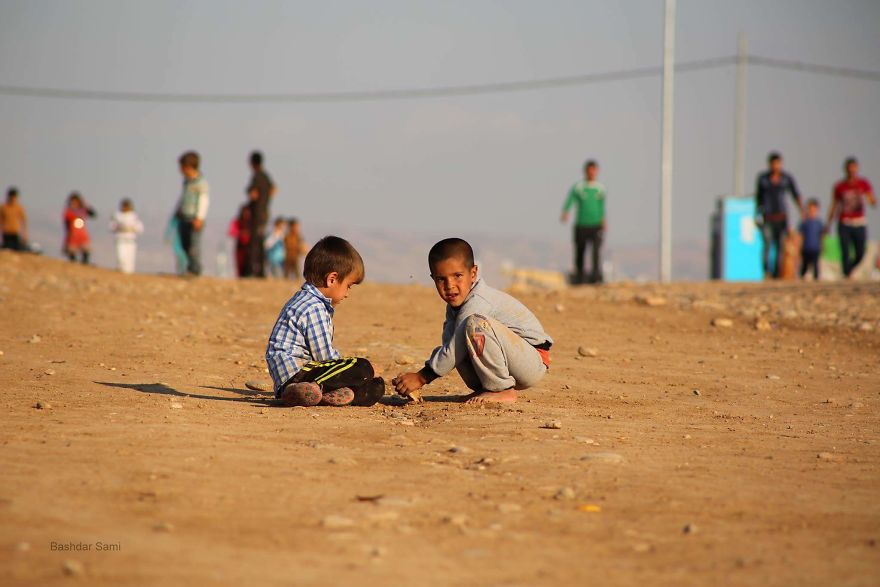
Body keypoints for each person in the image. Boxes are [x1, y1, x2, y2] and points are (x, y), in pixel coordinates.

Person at [393, 238, 553, 405]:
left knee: (473, 326)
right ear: (433, 279)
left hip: (531, 361)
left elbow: (455, 348)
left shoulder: (478, 301)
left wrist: (421, 377)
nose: (450, 285)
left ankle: (502, 390)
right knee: (451, 338)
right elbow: (451, 347)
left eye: (457, 276)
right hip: (512, 362)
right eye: (441, 279)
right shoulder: (455, 308)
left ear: (473, 273)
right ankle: (488, 388)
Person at [265, 235, 384, 407]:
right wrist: (362, 368)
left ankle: (318, 395)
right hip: (299, 375)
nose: (348, 293)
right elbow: (324, 355)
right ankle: (311, 389)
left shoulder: (305, 299)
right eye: (348, 286)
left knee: (375, 386)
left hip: (296, 379)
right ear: (332, 279)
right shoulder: (313, 307)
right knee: (362, 367)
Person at [755, 152, 804, 279]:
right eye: (773, 164)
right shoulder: (763, 179)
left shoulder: (786, 179)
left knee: (780, 246)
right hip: (767, 218)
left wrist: (802, 211)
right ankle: (767, 271)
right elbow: (758, 198)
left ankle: (776, 273)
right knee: (767, 244)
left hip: (782, 218)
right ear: (769, 164)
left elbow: (795, 195)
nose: (776, 166)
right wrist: (757, 215)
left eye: (778, 163)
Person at [827, 157, 876, 278]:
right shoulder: (840, 186)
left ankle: (849, 269)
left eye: (854, 168)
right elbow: (834, 205)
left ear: (857, 169)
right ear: (846, 170)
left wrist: (872, 200)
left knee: (860, 251)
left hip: (859, 222)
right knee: (845, 250)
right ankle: (846, 273)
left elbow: (872, 199)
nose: (852, 171)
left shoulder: (863, 184)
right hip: (844, 222)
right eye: (850, 168)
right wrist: (828, 224)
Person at [561, 160, 606, 284]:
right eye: (589, 170)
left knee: (596, 252)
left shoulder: (600, 188)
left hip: (596, 225)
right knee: (580, 251)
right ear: (585, 171)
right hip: (581, 224)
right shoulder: (578, 187)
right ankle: (580, 277)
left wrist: (603, 220)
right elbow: (570, 200)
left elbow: (601, 206)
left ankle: (595, 278)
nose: (592, 173)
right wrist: (565, 212)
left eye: (594, 170)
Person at [174, 151, 209, 276]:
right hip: (184, 217)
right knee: (185, 244)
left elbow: (203, 201)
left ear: (189, 167)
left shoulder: (201, 183)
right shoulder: (187, 182)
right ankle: (190, 266)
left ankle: (195, 268)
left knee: (194, 246)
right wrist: (178, 210)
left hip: (194, 219)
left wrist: (199, 217)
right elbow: (184, 198)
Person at [244, 151, 276, 277]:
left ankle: (252, 270)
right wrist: (266, 200)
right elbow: (274, 189)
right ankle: (261, 271)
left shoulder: (256, 176)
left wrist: (255, 202)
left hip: (257, 214)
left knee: (254, 243)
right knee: (260, 242)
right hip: (264, 213)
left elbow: (253, 194)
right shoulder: (266, 176)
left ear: (252, 162)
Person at [109, 198, 144, 274]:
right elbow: (111, 226)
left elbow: (140, 228)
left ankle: (129, 274)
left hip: (131, 240)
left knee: (130, 258)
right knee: (121, 257)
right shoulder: (117, 215)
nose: (125, 207)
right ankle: (121, 272)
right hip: (120, 240)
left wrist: (131, 228)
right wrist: (119, 228)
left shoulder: (134, 216)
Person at [63, 192, 95, 264]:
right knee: (72, 252)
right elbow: (66, 223)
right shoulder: (69, 211)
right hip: (73, 233)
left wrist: (86, 206)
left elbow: (93, 214)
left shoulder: (82, 210)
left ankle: (85, 264)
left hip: (82, 233)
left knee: (86, 250)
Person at [799, 199, 824, 280]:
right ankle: (802, 277)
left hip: (816, 248)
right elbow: (801, 235)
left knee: (815, 265)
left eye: (814, 210)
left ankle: (816, 279)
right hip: (806, 248)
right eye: (810, 209)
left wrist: (822, 245)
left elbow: (821, 235)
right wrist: (800, 246)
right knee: (805, 264)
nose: (812, 211)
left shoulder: (819, 223)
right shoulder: (805, 222)